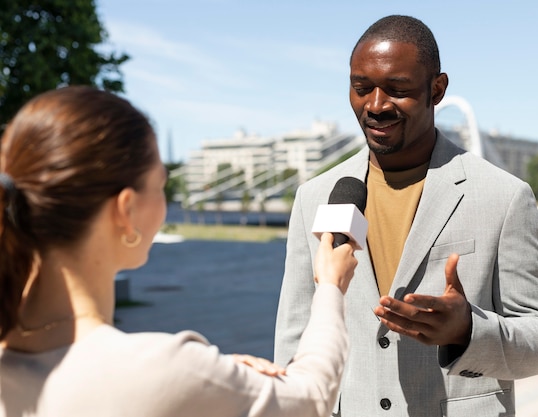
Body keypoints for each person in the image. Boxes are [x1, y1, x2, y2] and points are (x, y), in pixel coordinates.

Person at [0, 86, 358, 417]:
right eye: (161, 184)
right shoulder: (161, 369)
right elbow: (310, 398)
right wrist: (330, 287)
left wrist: (212, 383)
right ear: (125, 210)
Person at [274, 15, 538, 417]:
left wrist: (468, 331)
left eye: (397, 89)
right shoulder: (314, 197)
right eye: (361, 88)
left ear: (437, 89)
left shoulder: (504, 196)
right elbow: (294, 338)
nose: (375, 106)